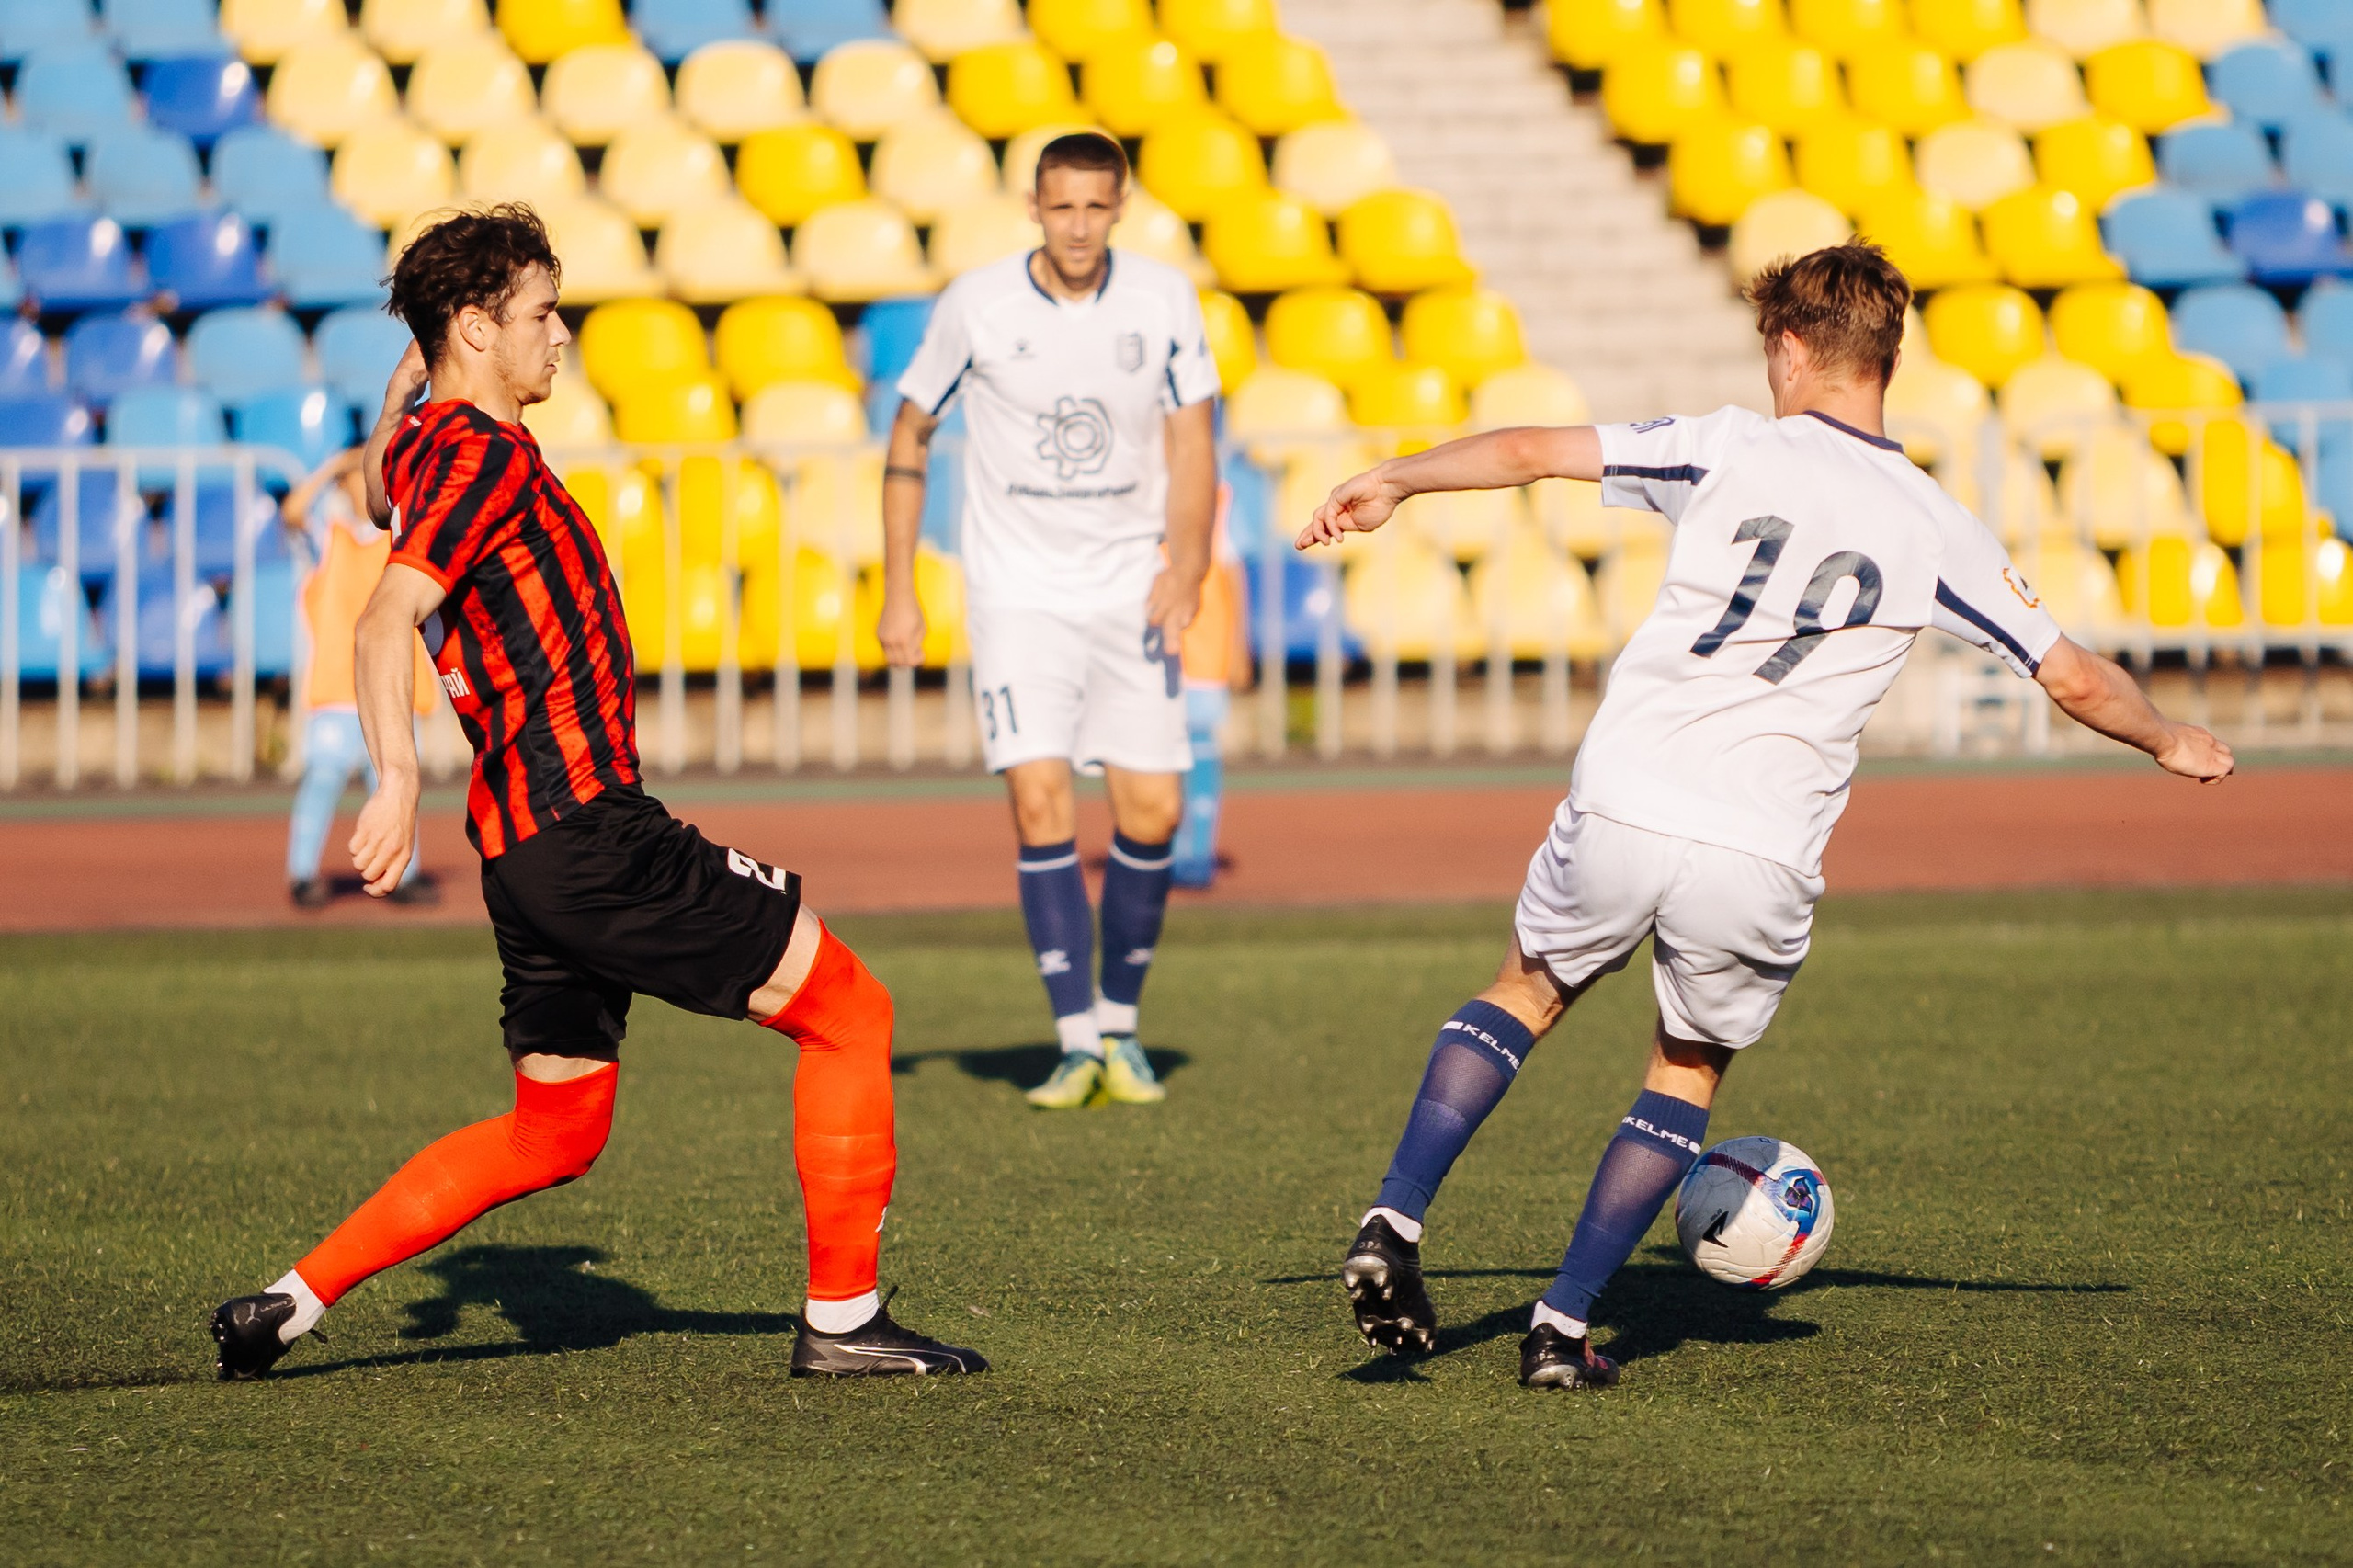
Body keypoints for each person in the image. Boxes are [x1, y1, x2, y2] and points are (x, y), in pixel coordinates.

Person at [1298, 243, 2234, 1392]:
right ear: (1887, 359)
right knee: (1685, 1068)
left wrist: (1396, 478)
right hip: (1759, 845)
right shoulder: (1934, 525)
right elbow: (2074, 675)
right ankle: (1560, 1328)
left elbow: (1533, 450)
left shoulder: (1723, 445)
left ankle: (1394, 1218)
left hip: (1628, 794)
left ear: (1791, 349)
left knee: (1525, 992)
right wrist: (2168, 739)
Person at [210, 205, 983, 1381]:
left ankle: (289, 1300)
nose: (560, 334)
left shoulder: (421, 446)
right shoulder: (477, 455)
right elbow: (381, 617)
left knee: (555, 1131)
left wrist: (404, 386)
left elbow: (375, 490)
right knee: (850, 1010)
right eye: (540, 313)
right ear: (476, 329)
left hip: (526, 853)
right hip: (591, 830)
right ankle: (842, 1321)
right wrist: (396, 777)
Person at [878, 132, 1220, 1110]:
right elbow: (910, 432)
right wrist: (899, 585)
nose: (1077, 226)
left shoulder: (1162, 300)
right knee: (1039, 799)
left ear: (1119, 210)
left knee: (1152, 813)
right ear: (1033, 207)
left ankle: (1120, 1026)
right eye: (1060, 206)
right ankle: (1075, 1042)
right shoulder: (977, 304)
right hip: (1017, 594)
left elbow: (1193, 442)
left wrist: (1189, 563)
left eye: (1094, 208)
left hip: (1131, 588)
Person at [281, 449, 438, 908]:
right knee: (323, 777)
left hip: (392, 686)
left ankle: (403, 874)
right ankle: (302, 874)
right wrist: (334, 465)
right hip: (337, 687)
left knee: (395, 780)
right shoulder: (329, 538)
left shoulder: (400, 541)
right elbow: (292, 511)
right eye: (355, 479)